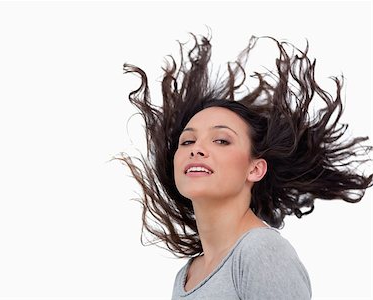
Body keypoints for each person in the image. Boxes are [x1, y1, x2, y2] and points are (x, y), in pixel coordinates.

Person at [118, 33, 372, 299]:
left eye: (221, 140)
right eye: (187, 141)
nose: (197, 148)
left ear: (255, 169)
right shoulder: (186, 275)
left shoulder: (261, 251)